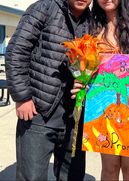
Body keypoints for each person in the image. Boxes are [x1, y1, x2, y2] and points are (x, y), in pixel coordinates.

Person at [72, 0, 129, 180]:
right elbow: (84, 64)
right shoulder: (92, 25)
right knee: (109, 168)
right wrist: (81, 79)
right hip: (105, 107)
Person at [5, 0, 92, 180]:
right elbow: (16, 51)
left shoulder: (91, 20)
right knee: (32, 177)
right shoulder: (44, 8)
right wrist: (22, 97)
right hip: (38, 112)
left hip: (74, 117)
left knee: (72, 176)